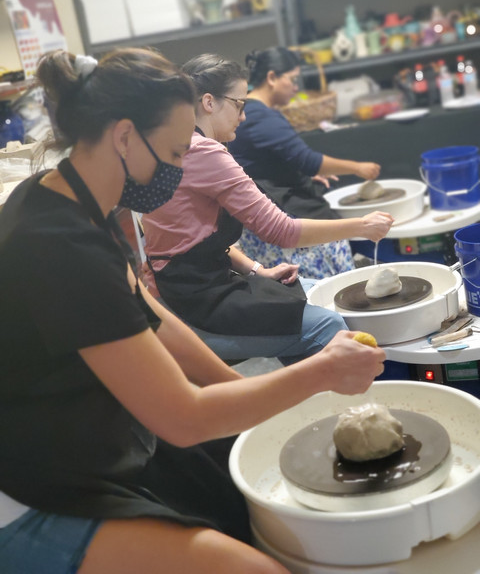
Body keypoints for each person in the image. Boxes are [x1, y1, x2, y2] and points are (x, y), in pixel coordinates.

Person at [0, 47, 387, 574]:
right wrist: (322, 373)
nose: (180, 168)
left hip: (83, 431)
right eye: (176, 152)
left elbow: (153, 317)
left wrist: (237, 389)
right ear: (124, 136)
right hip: (28, 487)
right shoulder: (58, 244)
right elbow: (184, 418)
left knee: (234, 487)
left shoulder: (67, 198)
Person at [142, 53, 393, 365]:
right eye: (239, 104)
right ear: (209, 102)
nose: (244, 116)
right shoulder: (203, 152)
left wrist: (258, 270)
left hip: (189, 286)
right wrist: (361, 226)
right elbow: (282, 231)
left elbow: (193, 244)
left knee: (320, 290)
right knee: (328, 323)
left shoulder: (175, 145)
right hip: (194, 301)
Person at [228, 46, 382, 278]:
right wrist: (358, 168)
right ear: (272, 77)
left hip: (262, 221)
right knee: (333, 288)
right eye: (292, 79)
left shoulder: (253, 113)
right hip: (284, 219)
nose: (296, 87)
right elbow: (309, 161)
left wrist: (298, 172)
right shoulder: (260, 116)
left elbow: (263, 162)